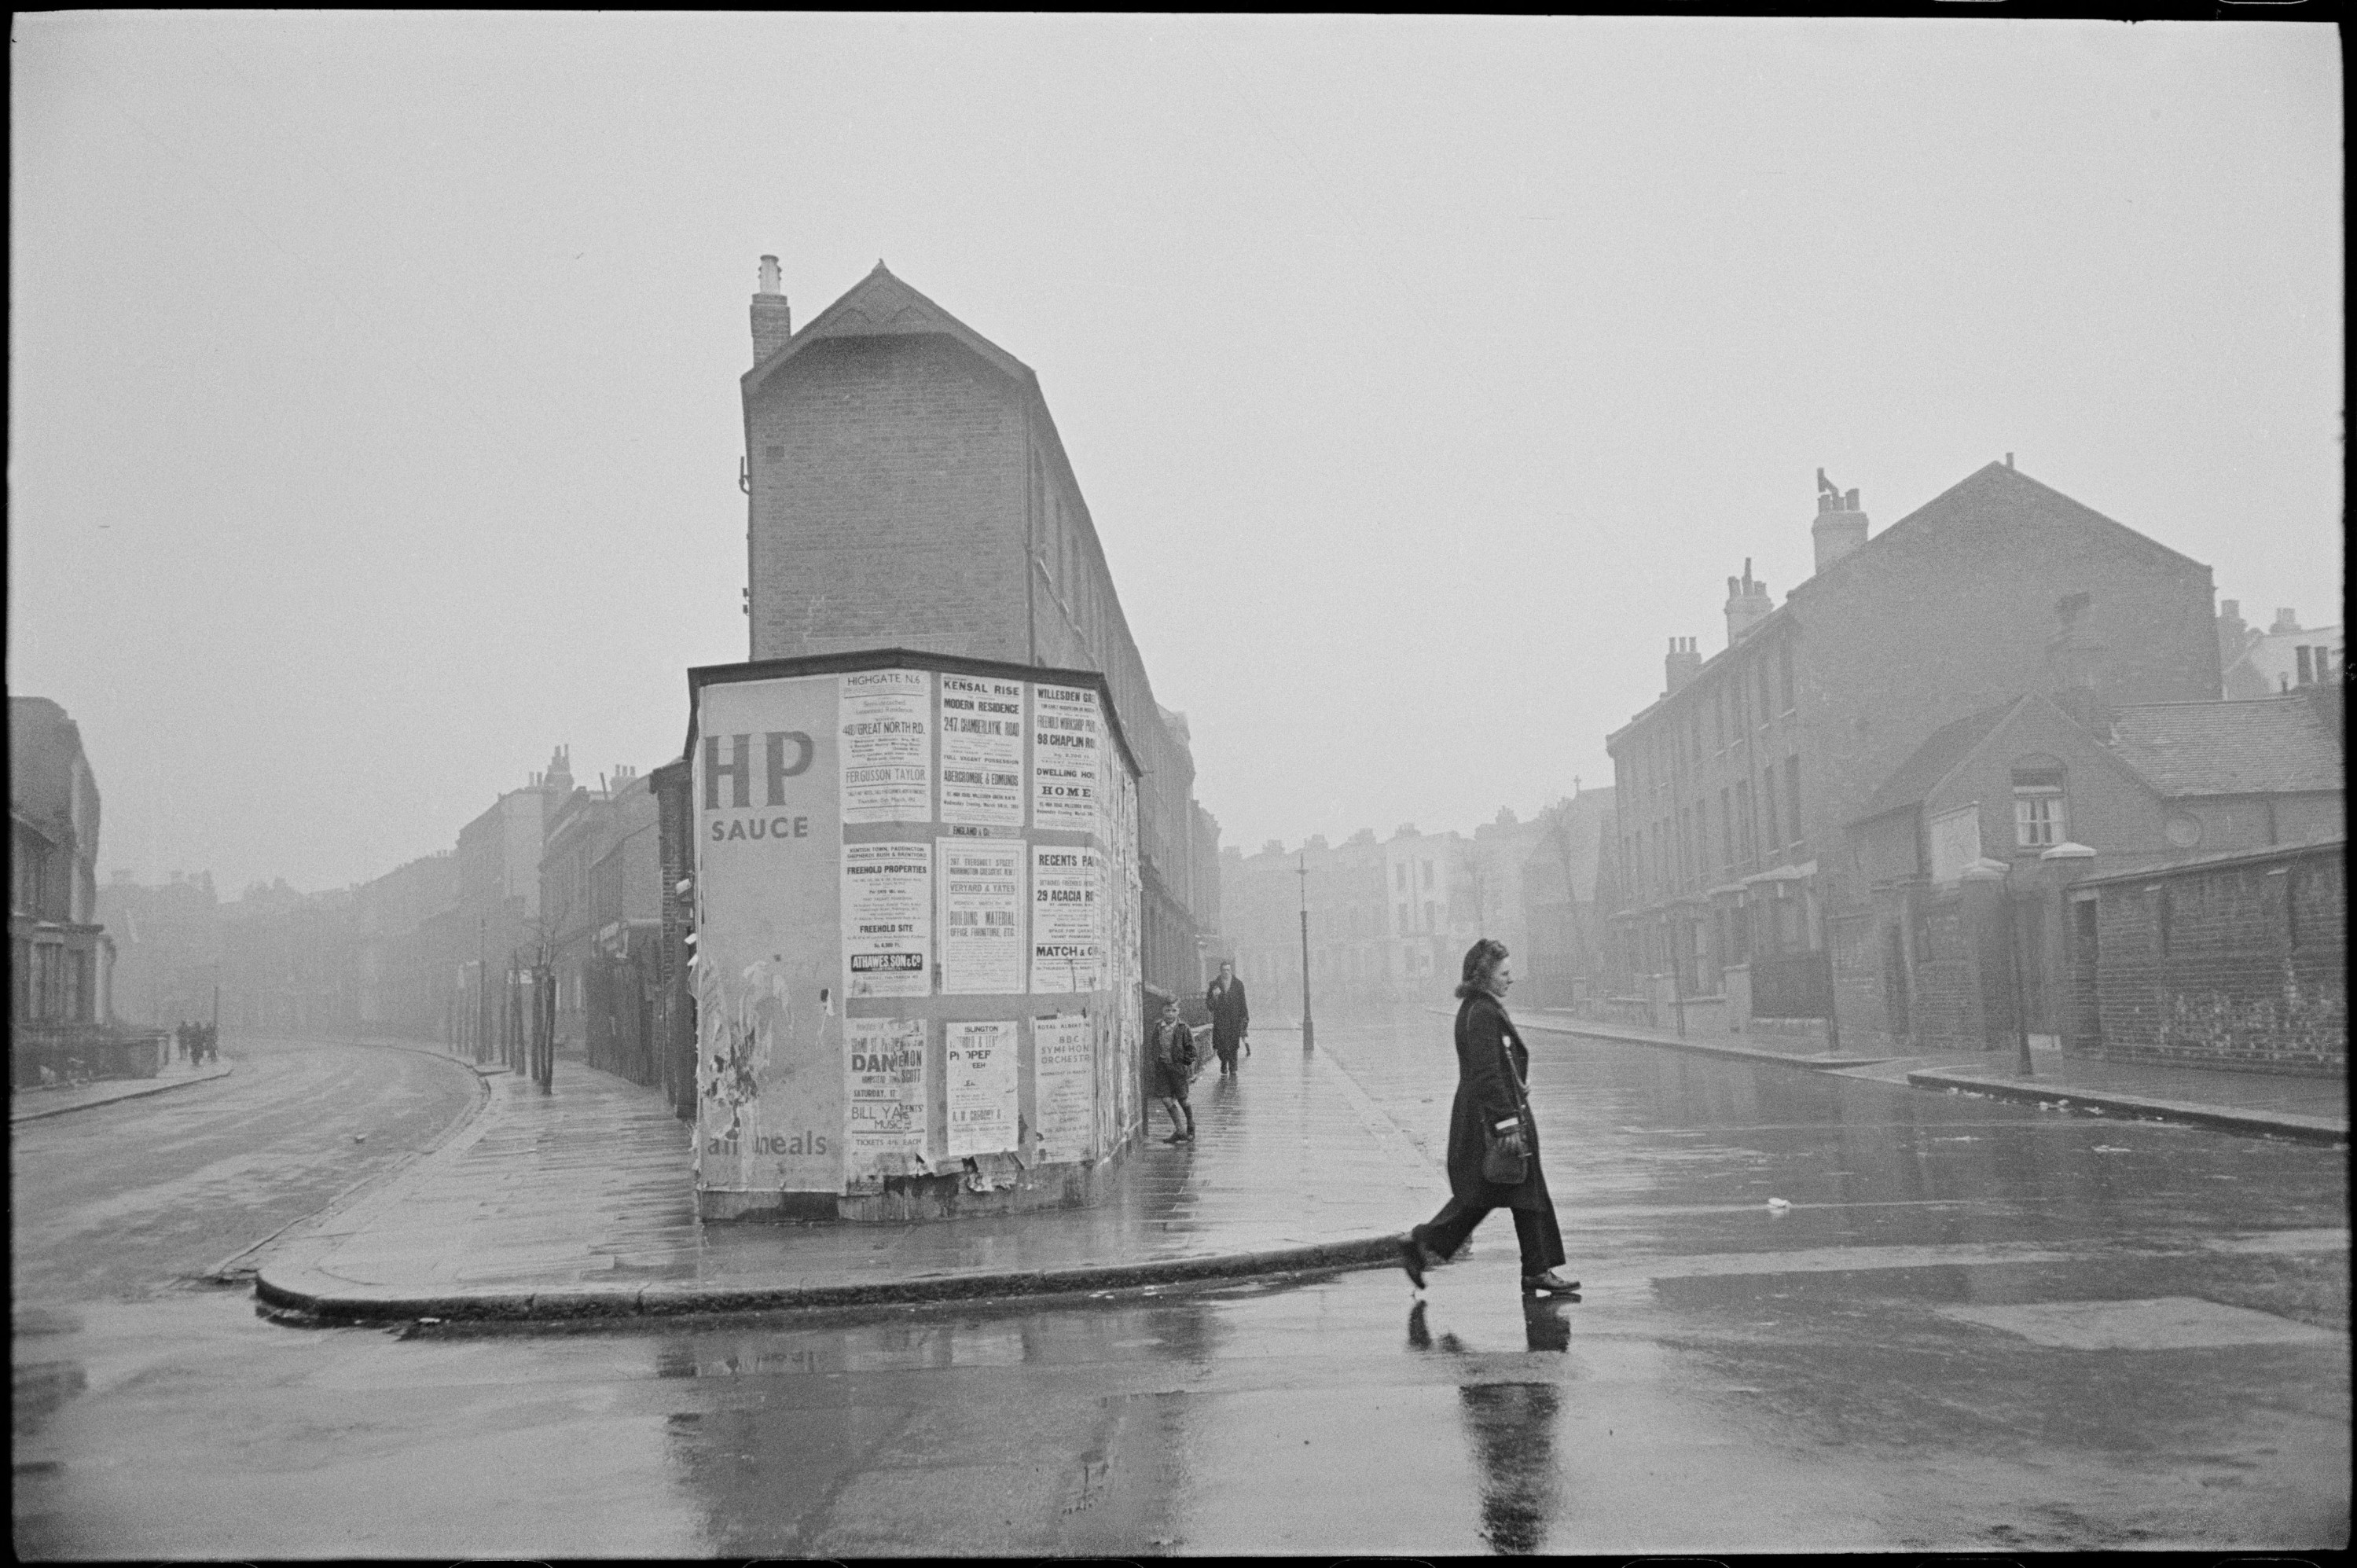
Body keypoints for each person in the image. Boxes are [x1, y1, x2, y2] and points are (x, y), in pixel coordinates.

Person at [1399, 938, 1578, 1298]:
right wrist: (1506, 1123)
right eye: (1505, 973)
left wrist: (1515, 1089)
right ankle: (1423, 1241)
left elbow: (1496, 1065)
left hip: (1491, 1114)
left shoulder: (1479, 1007)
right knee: (1491, 1192)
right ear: (1485, 976)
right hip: (1491, 1121)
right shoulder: (1481, 1012)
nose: (1511, 980)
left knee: (1516, 1193)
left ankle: (1536, 1269)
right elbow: (1485, 1072)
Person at [1150, 996, 1198, 1144]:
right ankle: (1179, 1130)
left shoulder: (1183, 1028)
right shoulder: (1158, 1027)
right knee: (1165, 1099)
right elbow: (1153, 1045)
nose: (1170, 1014)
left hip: (1178, 1070)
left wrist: (1184, 1064)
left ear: (1179, 1012)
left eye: (1174, 1011)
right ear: (1162, 1011)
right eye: (1167, 1010)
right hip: (1163, 1069)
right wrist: (1156, 1059)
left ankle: (1190, 1126)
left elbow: (1192, 1050)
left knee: (1183, 1100)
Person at [1206, 960, 1250, 1074]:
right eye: (1224, 970)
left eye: (1228, 970)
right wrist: (1215, 997)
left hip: (1234, 1020)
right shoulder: (1214, 985)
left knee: (1234, 1045)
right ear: (1220, 971)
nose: (1226, 972)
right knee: (1221, 1046)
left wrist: (1245, 1017)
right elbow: (1209, 1006)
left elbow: (1242, 1002)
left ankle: (1233, 1067)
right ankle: (1223, 1062)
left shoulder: (1238, 984)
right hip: (1221, 1020)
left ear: (1231, 971)